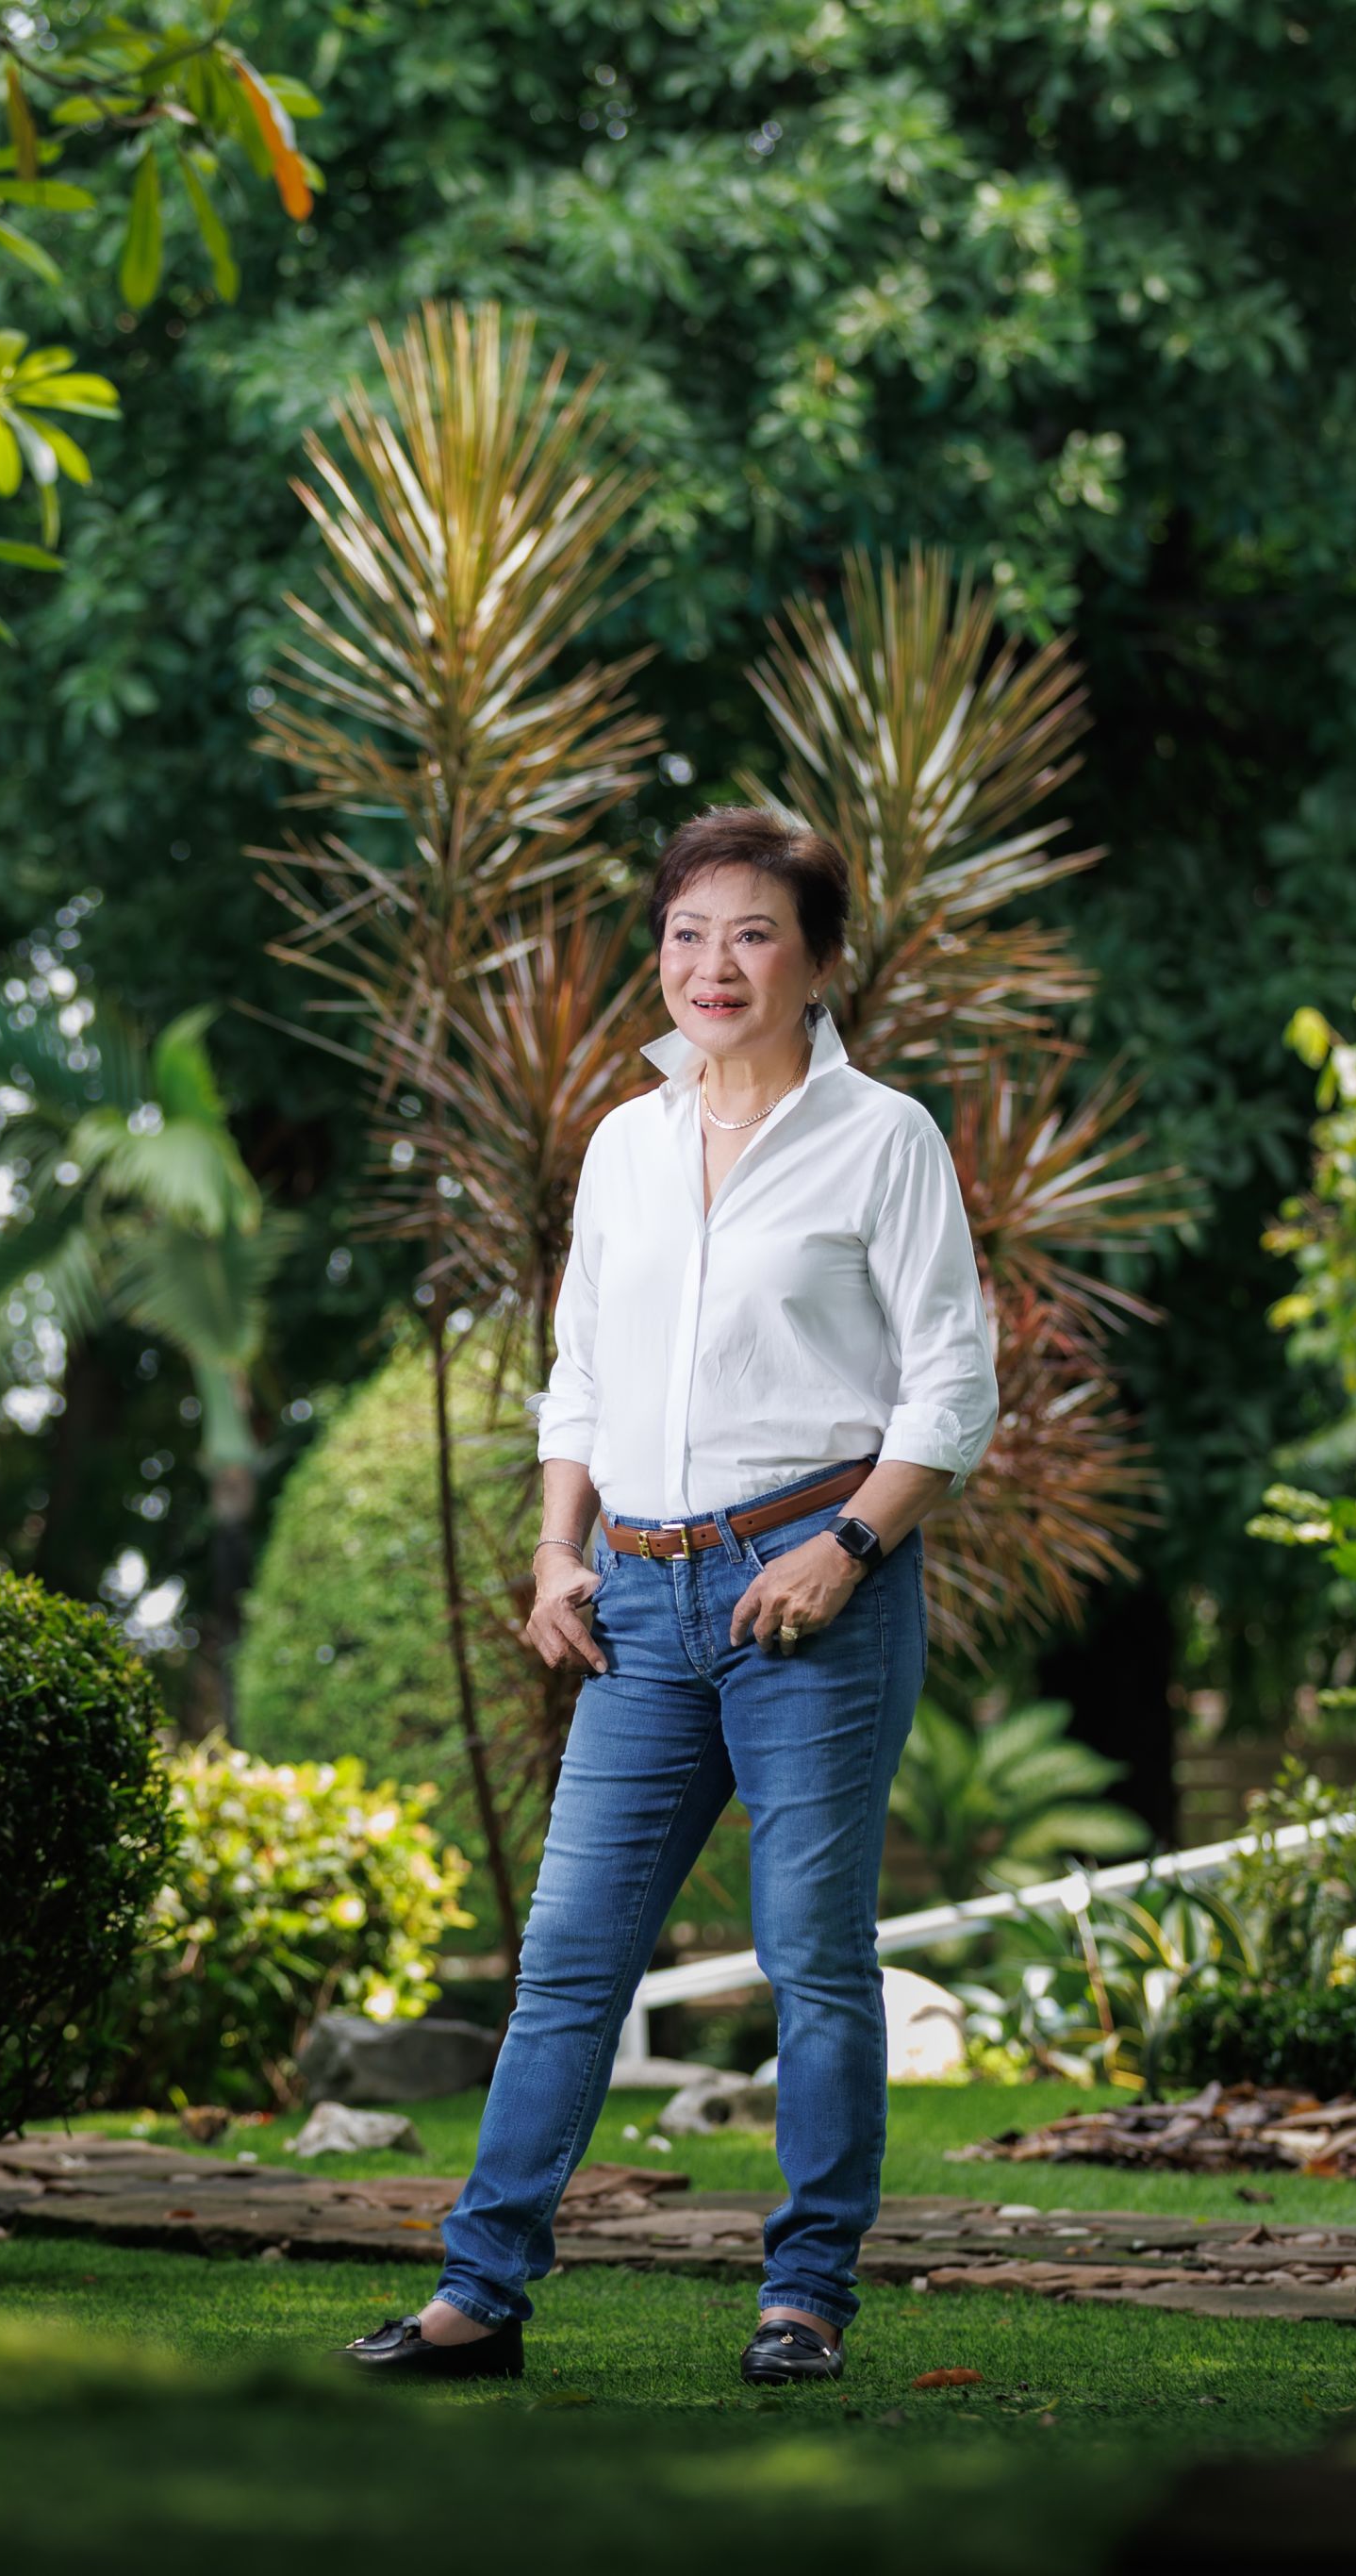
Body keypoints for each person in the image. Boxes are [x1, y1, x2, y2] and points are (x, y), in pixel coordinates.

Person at [339, 806, 996, 2388]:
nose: (716, 965)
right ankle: (478, 2296)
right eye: (691, 933)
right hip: (638, 1606)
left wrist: (847, 1550)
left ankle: (807, 2296)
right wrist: (562, 1552)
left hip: (813, 1603)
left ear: (819, 961)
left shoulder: (882, 1139)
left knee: (812, 1957)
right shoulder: (626, 1142)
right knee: (568, 1958)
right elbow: (581, 1377)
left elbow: (953, 1390)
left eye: (755, 932)